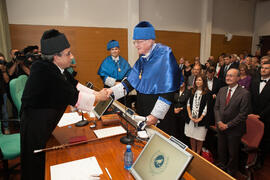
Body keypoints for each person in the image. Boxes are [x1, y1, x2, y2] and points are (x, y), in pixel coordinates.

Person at [20, 29, 110, 180]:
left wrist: (97, 93)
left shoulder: (56, 68)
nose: (72, 57)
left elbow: (75, 85)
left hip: (45, 123)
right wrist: (99, 98)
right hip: (35, 126)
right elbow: (75, 98)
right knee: (36, 167)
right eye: (68, 53)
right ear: (56, 56)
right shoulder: (45, 71)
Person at [108, 21, 182, 135]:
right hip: (143, 113)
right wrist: (111, 93)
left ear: (150, 40)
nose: (136, 45)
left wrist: (155, 116)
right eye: (135, 42)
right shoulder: (143, 58)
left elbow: (168, 91)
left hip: (160, 117)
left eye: (139, 42)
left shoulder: (165, 55)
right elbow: (130, 82)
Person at [214, 68, 250, 177]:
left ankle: (230, 174)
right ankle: (222, 170)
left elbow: (243, 114)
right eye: (227, 75)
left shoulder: (245, 93)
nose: (228, 78)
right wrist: (219, 121)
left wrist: (228, 125)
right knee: (221, 151)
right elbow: (216, 108)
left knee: (232, 154)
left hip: (234, 129)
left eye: (231, 76)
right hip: (220, 127)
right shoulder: (222, 90)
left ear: (238, 78)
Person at [250, 61, 270, 169]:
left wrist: (260, 116)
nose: (263, 70)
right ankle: (250, 159)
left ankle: (260, 161)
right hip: (252, 116)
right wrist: (251, 113)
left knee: (264, 140)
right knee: (252, 138)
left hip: (266, 118)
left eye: (266, 68)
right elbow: (250, 98)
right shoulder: (255, 81)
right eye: (262, 68)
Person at [185, 74, 211, 155]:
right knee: (192, 136)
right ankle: (193, 152)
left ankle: (198, 153)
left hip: (202, 120)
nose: (198, 82)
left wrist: (200, 118)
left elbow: (207, 107)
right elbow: (188, 104)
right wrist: (190, 115)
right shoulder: (192, 91)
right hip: (191, 118)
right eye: (197, 80)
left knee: (199, 137)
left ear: (204, 82)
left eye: (200, 80)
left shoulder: (207, 93)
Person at [173, 78, 190, 144]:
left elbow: (189, 104)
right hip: (174, 114)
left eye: (182, 82)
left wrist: (181, 109)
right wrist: (173, 108)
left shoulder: (188, 92)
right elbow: (172, 102)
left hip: (183, 115)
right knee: (175, 131)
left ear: (185, 83)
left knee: (182, 133)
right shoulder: (175, 91)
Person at [0, 53, 10, 134]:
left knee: (4, 112)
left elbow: (7, 80)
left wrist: (3, 70)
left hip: (2, 92)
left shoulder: (3, 68)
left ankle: (6, 128)